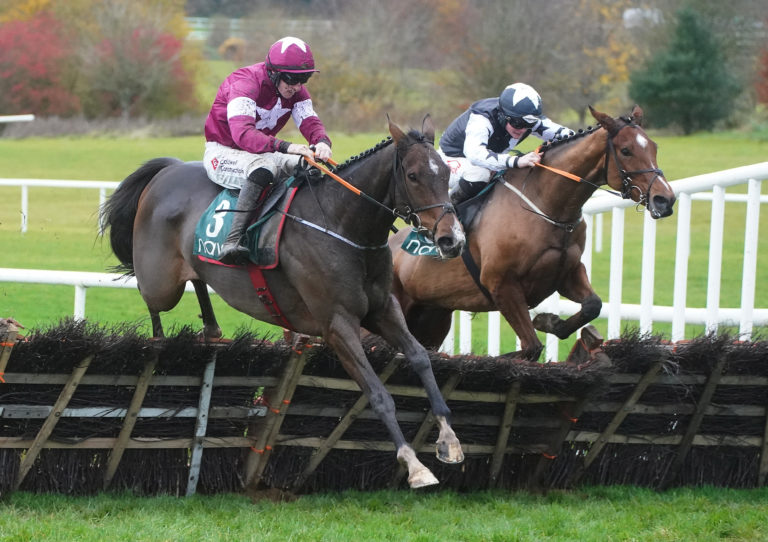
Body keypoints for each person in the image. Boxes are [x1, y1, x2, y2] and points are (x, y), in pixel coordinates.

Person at [203, 36, 333, 264]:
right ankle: (232, 241)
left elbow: (310, 122)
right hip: (222, 152)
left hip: (261, 152)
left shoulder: (298, 92)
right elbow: (242, 135)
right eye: (292, 79)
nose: (297, 86)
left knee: (307, 164)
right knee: (263, 168)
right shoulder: (245, 83)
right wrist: (287, 147)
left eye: (304, 78)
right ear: (274, 73)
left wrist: (321, 142)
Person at [438, 82, 574, 206]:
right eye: (517, 123)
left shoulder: (526, 120)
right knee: (480, 174)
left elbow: (568, 135)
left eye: (529, 125)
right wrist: (516, 161)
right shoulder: (482, 118)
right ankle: (444, 213)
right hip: (451, 159)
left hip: (487, 163)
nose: (522, 129)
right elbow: (475, 154)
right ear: (503, 115)